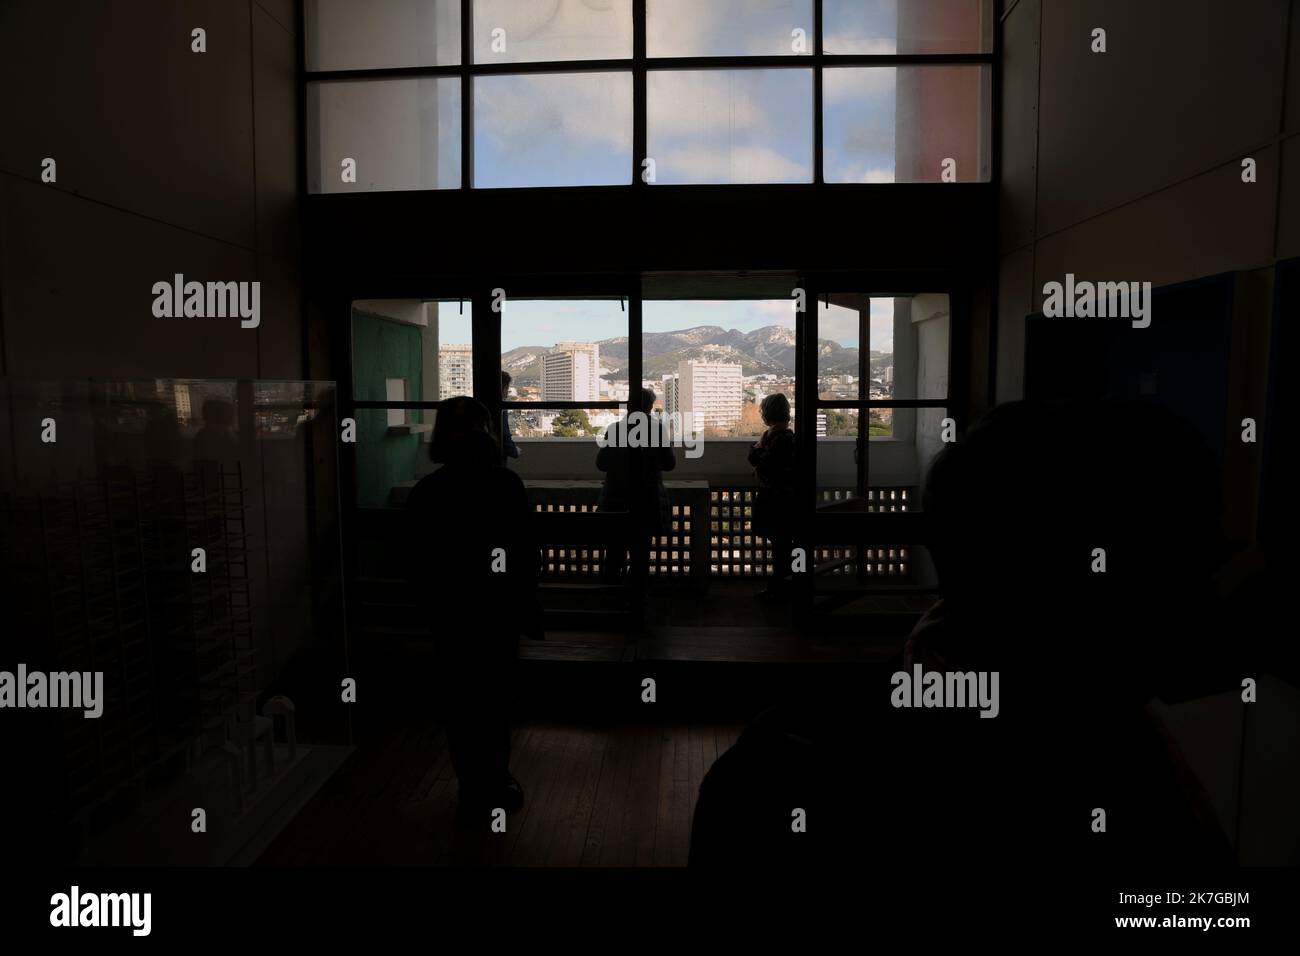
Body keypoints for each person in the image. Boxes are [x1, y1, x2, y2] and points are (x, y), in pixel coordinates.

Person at [404, 396, 541, 826]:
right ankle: (496, 781)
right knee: (494, 701)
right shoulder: (505, 486)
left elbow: (417, 562)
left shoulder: (428, 492)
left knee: (461, 704)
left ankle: (470, 787)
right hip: (496, 612)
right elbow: (523, 555)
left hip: (451, 614)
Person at [595, 388, 676, 595]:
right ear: (650, 406)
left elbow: (601, 464)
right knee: (641, 552)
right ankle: (638, 598)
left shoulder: (615, 430)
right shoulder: (657, 430)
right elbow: (669, 464)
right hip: (647, 498)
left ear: (628, 406)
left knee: (614, 551)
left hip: (615, 497)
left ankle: (611, 595)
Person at [747, 393, 796, 598]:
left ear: (768, 414)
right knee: (786, 545)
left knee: (780, 546)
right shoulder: (786, 437)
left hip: (777, 501)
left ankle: (782, 586)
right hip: (788, 500)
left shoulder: (777, 438)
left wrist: (758, 447)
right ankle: (790, 583)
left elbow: (759, 460)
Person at [500, 370, 520, 464]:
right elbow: (504, 436)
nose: (507, 394)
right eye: (506, 389)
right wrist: (515, 451)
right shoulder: (501, 408)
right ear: (503, 388)